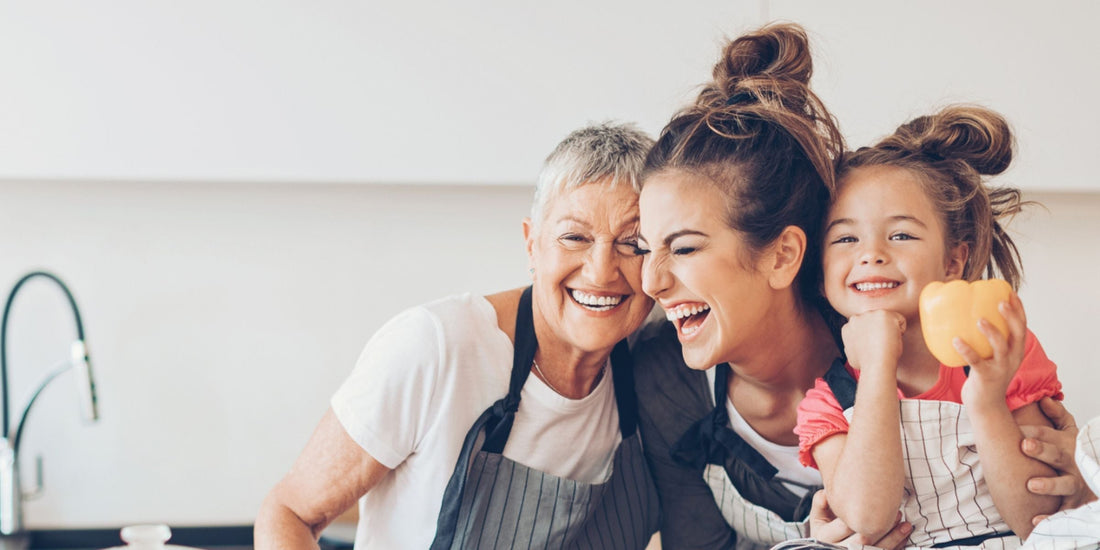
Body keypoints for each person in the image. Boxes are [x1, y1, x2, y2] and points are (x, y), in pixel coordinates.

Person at [254, 122, 660, 549]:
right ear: (531, 244)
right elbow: (289, 513)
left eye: (633, 243)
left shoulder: (658, 365)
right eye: (574, 237)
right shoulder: (435, 348)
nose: (601, 271)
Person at [632, 23, 910, 550]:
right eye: (647, 247)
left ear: (782, 256)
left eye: (685, 248)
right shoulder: (666, 380)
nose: (652, 281)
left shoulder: (898, 353)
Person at [795, 105, 1063, 548]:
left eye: (900, 235)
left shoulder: (999, 349)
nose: (871, 254)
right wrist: (879, 365)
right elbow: (867, 519)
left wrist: (988, 401)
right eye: (845, 238)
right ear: (820, 277)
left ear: (954, 260)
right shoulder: (828, 403)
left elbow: (1039, 520)